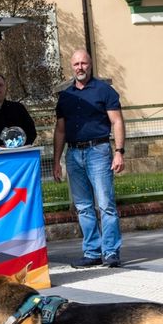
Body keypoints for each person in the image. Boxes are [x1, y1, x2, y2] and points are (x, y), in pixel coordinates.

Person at [52, 49, 126, 268]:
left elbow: (117, 122)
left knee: (106, 205)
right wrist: (56, 161)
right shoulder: (65, 96)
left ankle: (111, 251)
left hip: (99, 152)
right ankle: (92, 251)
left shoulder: (104, 91)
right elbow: (60, 131)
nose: (80, 67)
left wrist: (119, 151)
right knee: (83, 207)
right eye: (76, 64)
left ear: (90, 65)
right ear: (71, 67)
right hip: (73, 154)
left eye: (84, 63)